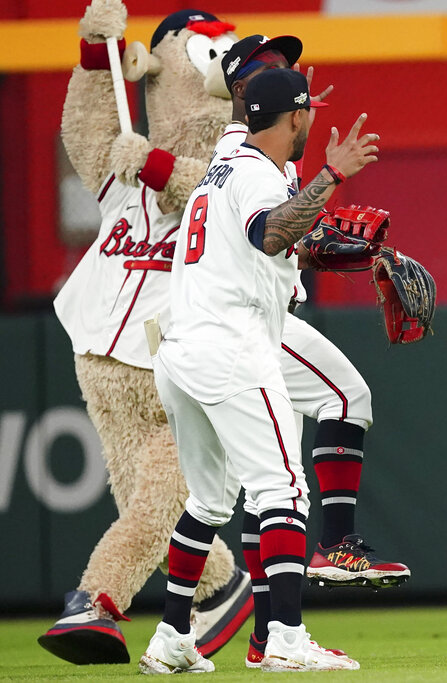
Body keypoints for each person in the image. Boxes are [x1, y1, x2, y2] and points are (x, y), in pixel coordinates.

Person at [138, 68, 377, 673]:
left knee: (209, 500)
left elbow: (263, 246)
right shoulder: (253, 173)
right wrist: (333, 174)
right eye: (307, 115)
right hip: (231, 347)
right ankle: (286, 641)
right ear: (296, 117)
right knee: (284, 491)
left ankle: (171, 636)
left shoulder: (220, 172)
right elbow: (269, 234)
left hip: (181, 347)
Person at [42, 4, 251, 664]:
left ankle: (97, 601)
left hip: (186, 368)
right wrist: (95, 53)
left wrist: (161, 166)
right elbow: (87, 131)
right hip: (104, 360)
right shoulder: (120, 173)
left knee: (156, 505)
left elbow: (226, 197)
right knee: (146, 503)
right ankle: (226, 583)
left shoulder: (243, 162)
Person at [217, 34, 410, 668]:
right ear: (243, 89)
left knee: (259, 489)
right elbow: (271, 234)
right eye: (269, 67)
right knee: (345, 397)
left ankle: (263, 636)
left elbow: (289, 237)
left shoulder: (261, 158)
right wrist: (329, 182)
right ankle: (335, 544)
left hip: (237, 317)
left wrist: (356, 250)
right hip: (247, 321)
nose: (287, 69)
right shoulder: (243, 156)